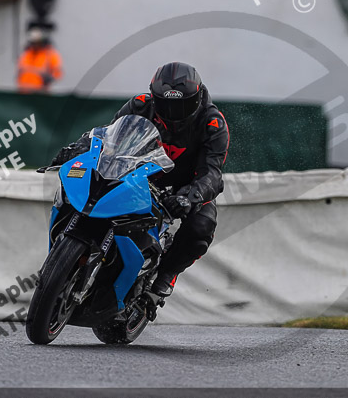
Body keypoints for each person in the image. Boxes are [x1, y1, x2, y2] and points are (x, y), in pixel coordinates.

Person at [51, 62, 230, 297]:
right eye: (166, 105)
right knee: (85, 186)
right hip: (137, 174)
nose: (173, 113)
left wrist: (190, 196)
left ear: (197, 99)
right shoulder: (140, 105)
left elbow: (212, 173)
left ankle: (167, 273)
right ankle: (64, 250)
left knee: (201, 227)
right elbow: (107, 135)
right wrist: (80, 147)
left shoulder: (212, 123)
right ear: (155, 98)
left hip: (184, 187)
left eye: (181, 105)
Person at [17, 28, 62, 93]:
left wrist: (51, 78)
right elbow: (20, 69)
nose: (35, 45)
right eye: (33, 42)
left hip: (41, 93)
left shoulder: (49, 54)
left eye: (37, 42)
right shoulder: (26, 54)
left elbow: (57, 72)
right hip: (23, 91)